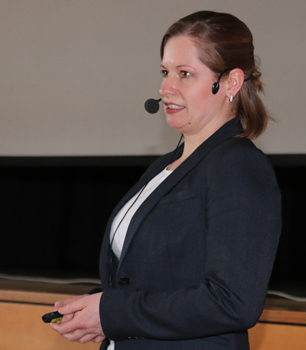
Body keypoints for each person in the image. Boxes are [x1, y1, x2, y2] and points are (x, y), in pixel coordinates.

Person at [50, 10, 281, 350]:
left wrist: (113, 312)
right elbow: (151, 282)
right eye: (165, 72)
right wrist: (92, 310)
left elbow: (233, 302)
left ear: (231, 82)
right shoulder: (163, 166)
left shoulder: (238, 165)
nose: (165, 88)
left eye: (184, 74)